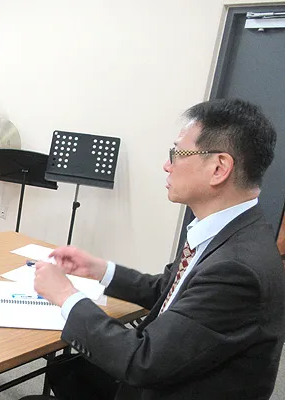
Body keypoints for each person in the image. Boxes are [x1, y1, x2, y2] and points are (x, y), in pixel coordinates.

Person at [23, 99, 285, 400]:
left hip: (167, 384)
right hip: (175, 371)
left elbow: (142, 361)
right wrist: (99, 269)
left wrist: (65, 295)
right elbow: (170, 290)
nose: (167, 165)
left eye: (177, 153)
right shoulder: (234, 230)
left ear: (219, 168)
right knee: (69, 369)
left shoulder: (237, 269)